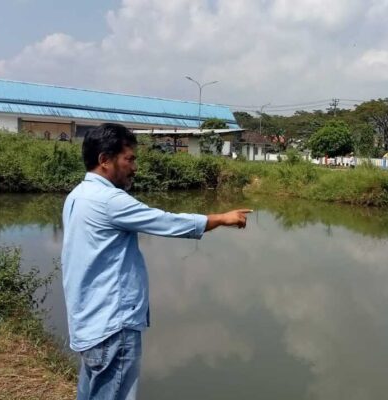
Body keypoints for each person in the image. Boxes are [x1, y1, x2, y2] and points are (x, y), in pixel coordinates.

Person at [61, 123, 251, 400]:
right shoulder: (110, 201)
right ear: (104, 160)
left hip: (89, 321)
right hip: (113, 325)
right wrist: (221, 218)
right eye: (129, 159)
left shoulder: (77, 196)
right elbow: (167, 222)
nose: (134, 167)